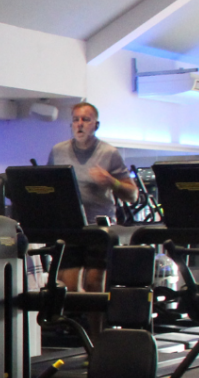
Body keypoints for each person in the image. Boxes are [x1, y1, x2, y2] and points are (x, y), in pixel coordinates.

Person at [47, 102, 137, 293]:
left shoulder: (109, 153)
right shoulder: (58, 151)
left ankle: (97, 324)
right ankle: (70, 323)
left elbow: (133, 195)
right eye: (75, 120)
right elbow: (50, 186)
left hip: (99, 227)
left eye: (85, 120)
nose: (79, 124)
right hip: (70, 226)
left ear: (96, 125)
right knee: (68, 285)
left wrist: (112, 182)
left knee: (94, 283)